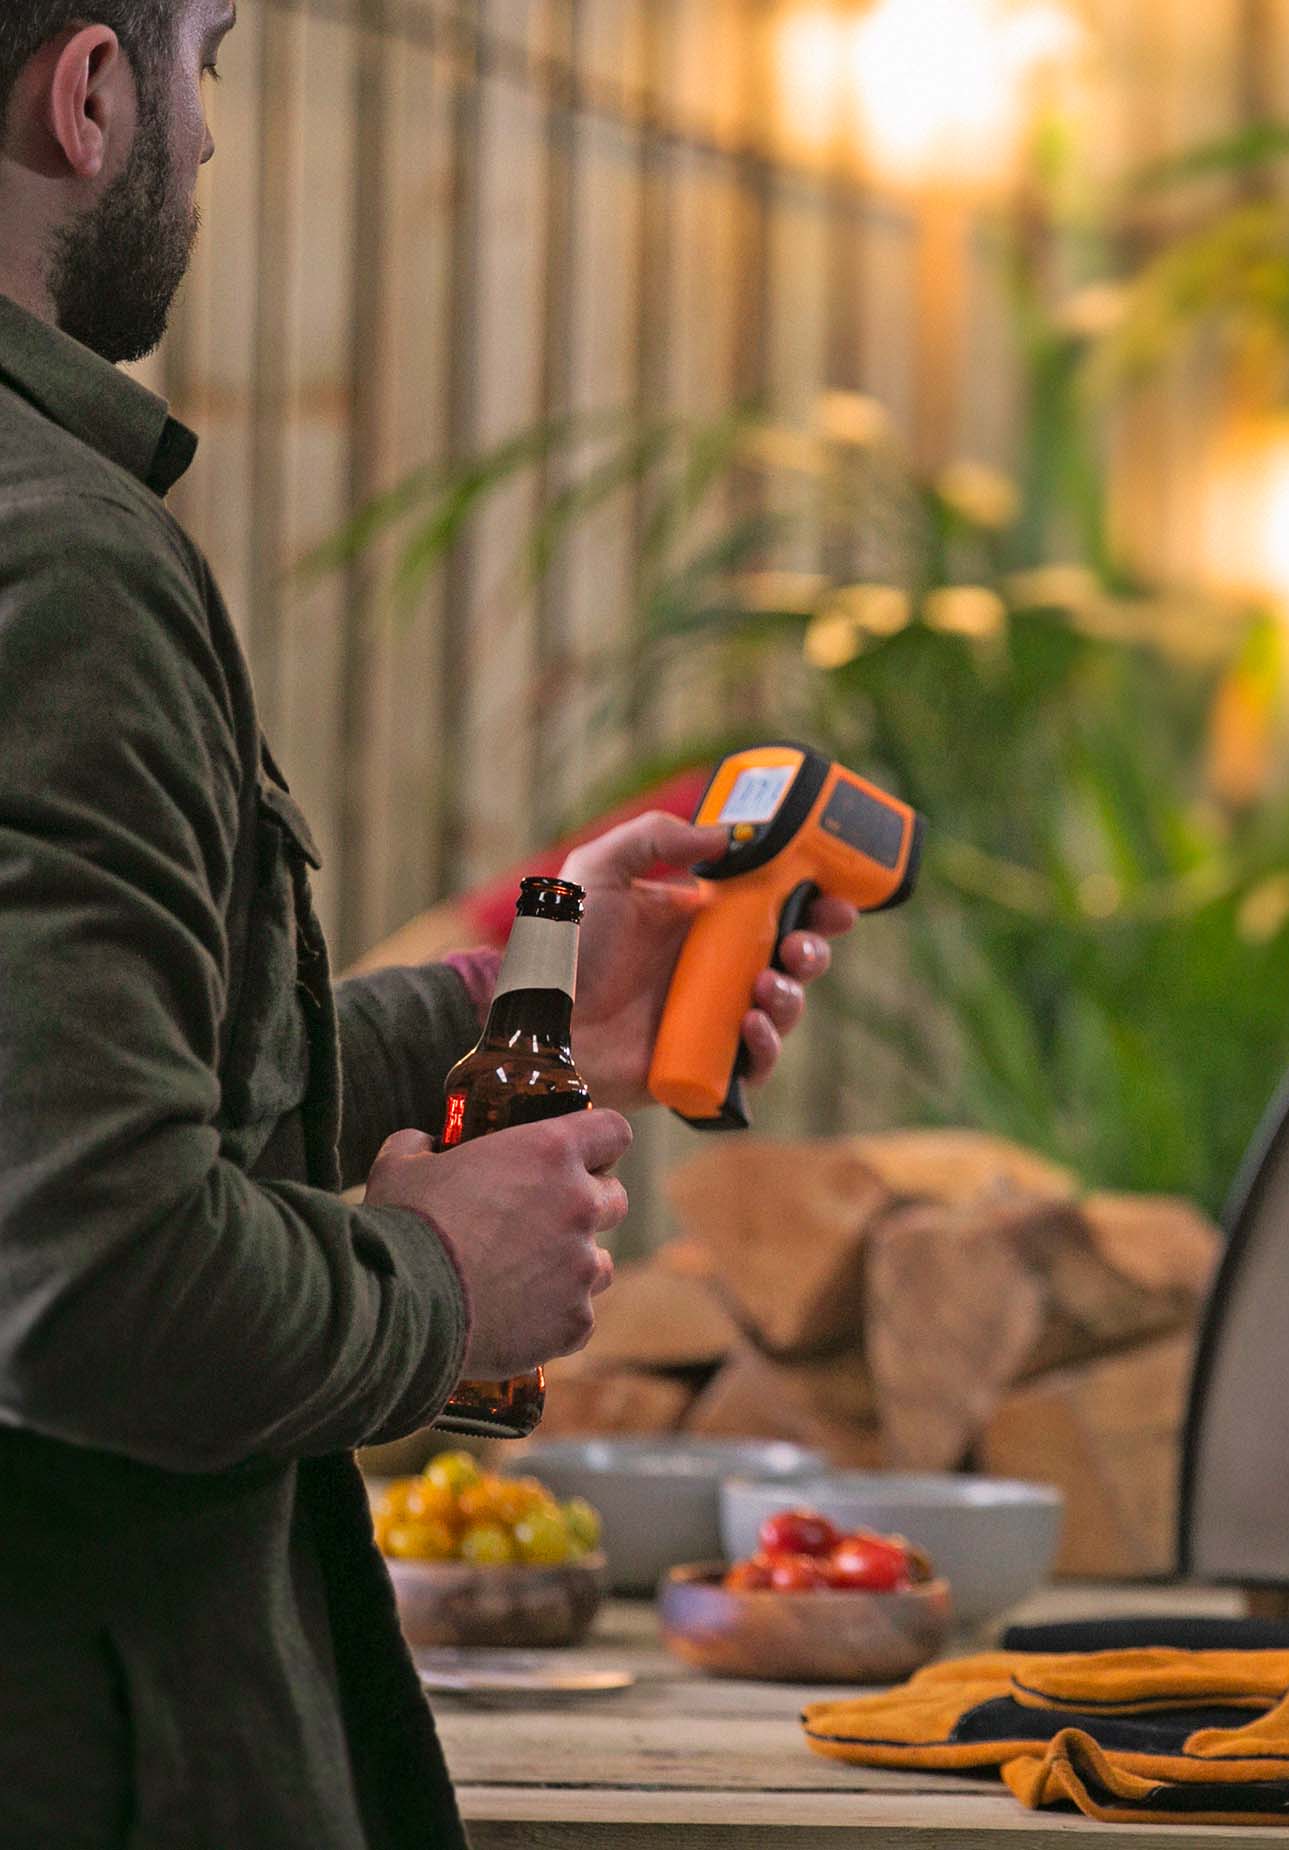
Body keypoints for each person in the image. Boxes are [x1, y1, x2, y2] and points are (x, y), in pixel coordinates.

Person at [0, 5, 858, 1845]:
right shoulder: (61, 563)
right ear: (87, 93)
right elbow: (89, 1282)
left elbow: (71, 1095)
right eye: (203, 64)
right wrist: (443, 1281)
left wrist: (521, 1002)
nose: (204, 137)